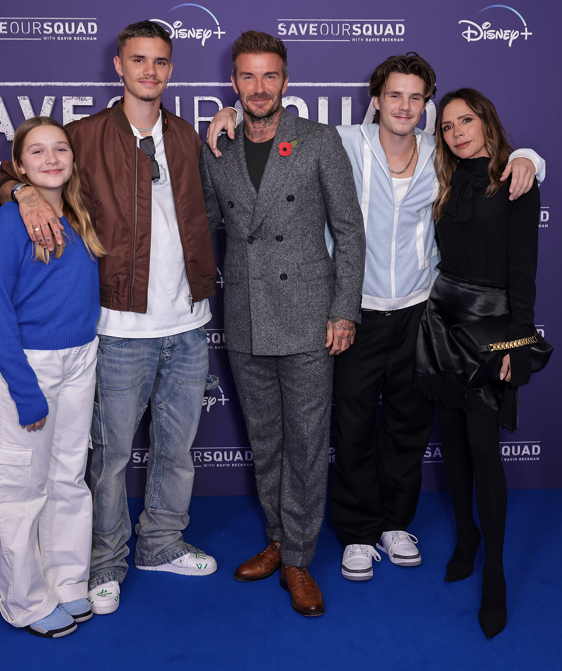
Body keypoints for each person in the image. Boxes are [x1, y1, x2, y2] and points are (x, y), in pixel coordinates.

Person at [205, 55, 543, 583]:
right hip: (353, 310)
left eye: (415, 98)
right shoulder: (339, 142)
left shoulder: (442, 153)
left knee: (408, 425)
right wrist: (229, 112)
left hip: (421, 312)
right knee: (354, 424)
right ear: (377, 100)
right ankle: (358, 531)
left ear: (426, 103)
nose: (404, 107)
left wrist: (528, 157)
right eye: (394, 96)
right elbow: (269, 129)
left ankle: (394, 523)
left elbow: (500, 160)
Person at [0, 21, 220, 617]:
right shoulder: (82, 137)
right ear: (118, 65)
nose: (150, 71)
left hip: (190, 321)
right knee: (109, 456)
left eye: (161, 61)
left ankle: (161, 543)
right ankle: (106, 562)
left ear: (171, 70)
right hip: (120, 327)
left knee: (177, 449)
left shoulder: (187, 136)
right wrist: (20, 192)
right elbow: (25, 171)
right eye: (139, 60)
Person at [199, 31, 366, 617]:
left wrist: (345, 310)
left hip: (308, 319)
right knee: (265, 442)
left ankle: (298, 557)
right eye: (248, 76)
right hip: (244, 316)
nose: (259, 87)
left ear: (286, 81)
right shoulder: (215, 146)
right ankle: (277, 537)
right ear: (234, 83)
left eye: (270, 76)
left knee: (305, 444)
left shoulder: (318, 141)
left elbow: (349, 230)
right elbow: (209, 221)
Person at [415, 88, 542, 639]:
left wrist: (517, 344)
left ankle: (495, 572)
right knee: (455, 442)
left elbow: (523, 271)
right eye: (446, 126)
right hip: (442, 320)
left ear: (487, 121)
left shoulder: (516, 180)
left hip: (491, 329)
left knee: (485, 448)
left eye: (466, 120)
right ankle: (465, 537)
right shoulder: (443, 181)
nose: (456, 131)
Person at [0, 116, 106, 638]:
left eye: (60, 149)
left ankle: (67, 581)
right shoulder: (9, 223)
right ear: (20, 165)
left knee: (68, 479)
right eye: (37, 152)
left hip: (79, 359)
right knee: (21, 488)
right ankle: (25, 602)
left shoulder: (75, 213)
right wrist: (24, 391)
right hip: (27, 366)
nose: (51, 159)